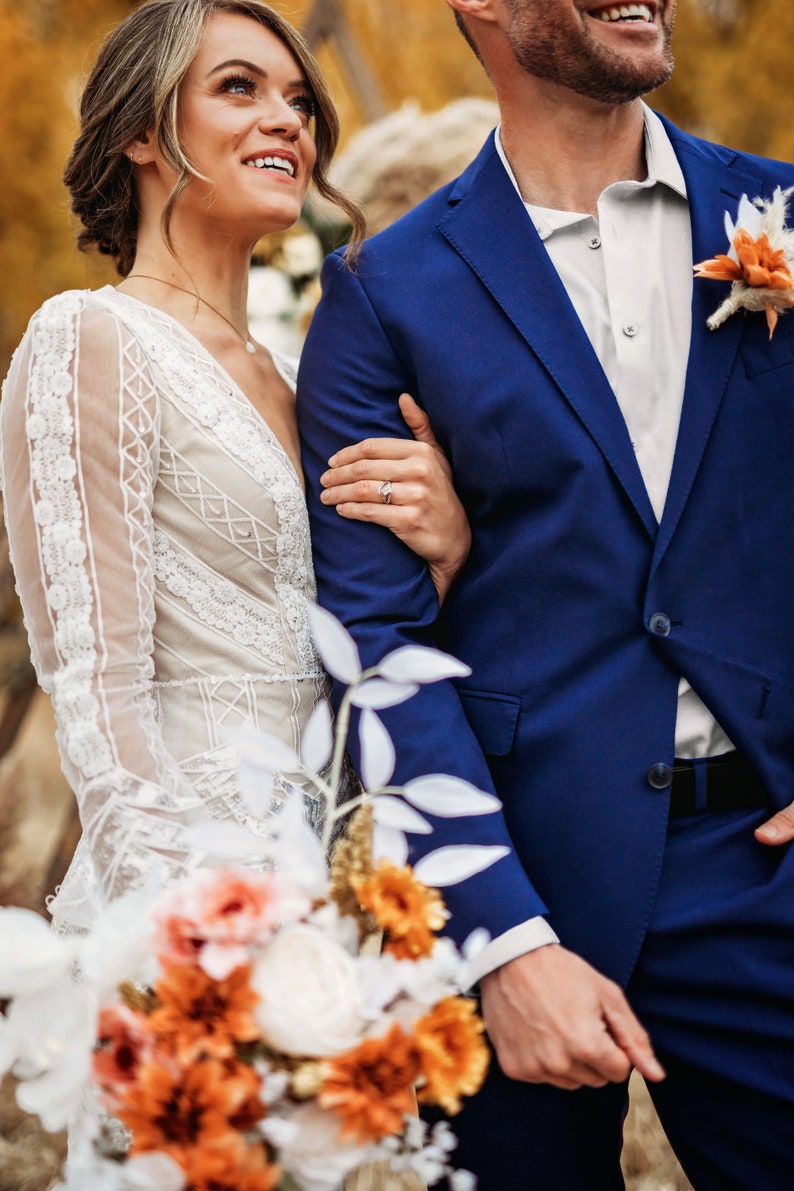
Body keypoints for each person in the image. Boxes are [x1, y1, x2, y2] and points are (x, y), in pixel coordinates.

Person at [297, 2, 794, 1188]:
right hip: (521, 872)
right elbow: (373, 643)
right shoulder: (383, 291)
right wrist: (500, 942)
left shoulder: (779, 213)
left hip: (763, 860)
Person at [0, 0, 470, 936]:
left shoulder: (306, 378)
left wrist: (450, 549)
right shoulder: (92, 336)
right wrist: (191, 943)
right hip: (196, 903)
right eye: (238, 88)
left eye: (298, 100)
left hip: (344, 899)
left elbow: (363, 646)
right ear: (141, 131)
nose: (286, 120)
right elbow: (100, 688)